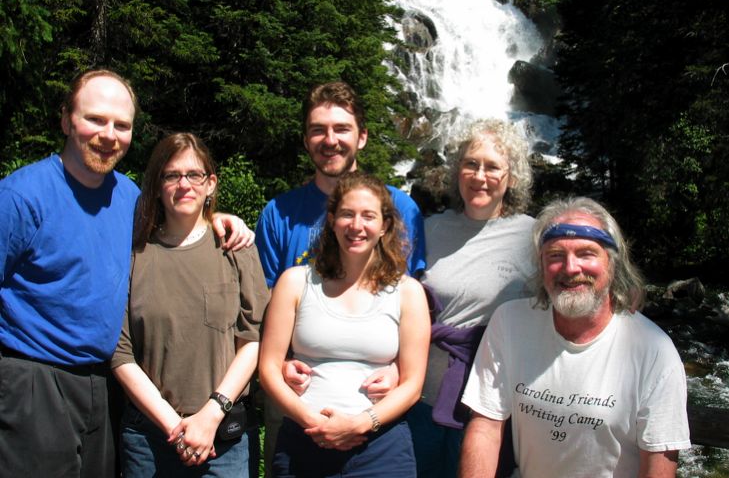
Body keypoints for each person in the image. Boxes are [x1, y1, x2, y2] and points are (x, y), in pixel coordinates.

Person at [0, 69, 252, 477]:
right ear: (66, 120)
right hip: (33, 379)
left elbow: (178, 222)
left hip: (104, 387)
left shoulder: (130, 198)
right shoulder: (22, 196)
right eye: (95, 119)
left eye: (122, 125)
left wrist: (216, 216)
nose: (108, 134)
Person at [254, 80, 427, 466]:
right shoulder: (278, 213)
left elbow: (410, 306)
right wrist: (280, 363)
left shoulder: (403, 209)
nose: (329, 140)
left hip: (377, 424)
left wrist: (399, 370)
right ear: (306, 140)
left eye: (341, 129)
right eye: (318, 130)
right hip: (296, 406)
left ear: (362, 137)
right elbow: (264, 308)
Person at [459, 197, 691, 478]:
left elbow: (658, 465)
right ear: (541, 265)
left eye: (586, 253)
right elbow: (485, 426)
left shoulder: (654, 350)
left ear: (612, 263)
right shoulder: (509, 323)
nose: (570, 268)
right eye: (555, 255)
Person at [112, 133, 270, 477]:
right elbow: (120, 354)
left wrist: (211, 415)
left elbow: (254, 339)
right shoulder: (132, 255)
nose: (184, 184)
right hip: (148, 439)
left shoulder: (236, 249)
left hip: (224, 436)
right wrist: (177, 428)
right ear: (156, 186)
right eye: (171, 175)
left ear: (210, 183)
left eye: (194, 175)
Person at [407, 118, 536, 478]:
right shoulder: (428, 229)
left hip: (491, 407)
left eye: (493, 166)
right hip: (419, 399)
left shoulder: (532, 236)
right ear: (457, 170)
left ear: (511, 176)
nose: (480, 176)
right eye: (471, 163)